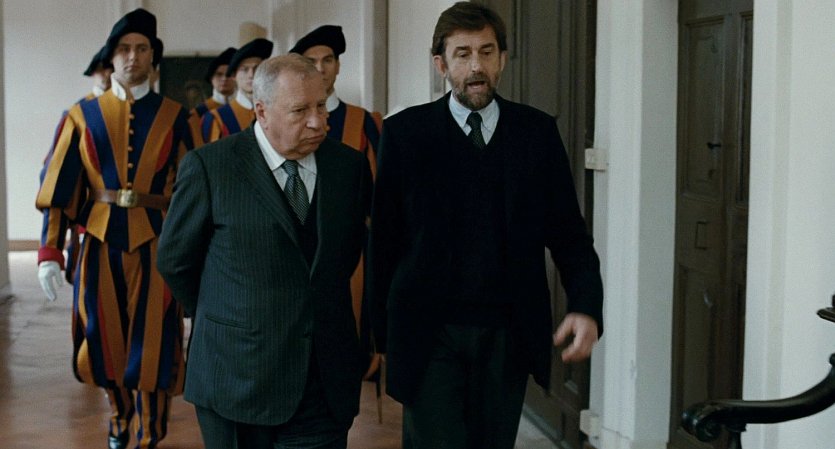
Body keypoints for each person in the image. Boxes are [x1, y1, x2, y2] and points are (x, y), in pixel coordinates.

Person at [367, 3, 604, 449]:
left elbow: (569, 234)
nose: (476, 66)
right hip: (428, 331)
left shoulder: (536, 134)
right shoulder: (406, 134)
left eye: (486, 51)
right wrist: (379, 336)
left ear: (503, 59)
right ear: (441, 64)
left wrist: (586, 305)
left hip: (508, 333)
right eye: (462, 54)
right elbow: (384, 241)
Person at [157, 54, 372, 449]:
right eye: (300, 111)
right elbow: (175, 261)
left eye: (321, 105)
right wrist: (231, 314)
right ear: (261, 111)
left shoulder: (349, 167)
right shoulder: (210, 167)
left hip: (323, 378)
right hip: (236, 377)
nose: (317, 122)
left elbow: (346, 257)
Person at [35, 8, 192, 449]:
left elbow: (194, 189)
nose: (132, 56)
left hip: (158, 241)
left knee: (155, 337)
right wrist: (50, 253)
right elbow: (60, 189)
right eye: (124, 48)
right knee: (103, 336)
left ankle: (150, 432)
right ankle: (120, 416)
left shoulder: (177, 116)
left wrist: (197, 250)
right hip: (98, 242)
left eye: (142, 48)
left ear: (153, 57)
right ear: (111, 57)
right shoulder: (81, 116)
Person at [290, 25, 382, 376]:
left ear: (338, 66)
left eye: (328, 60)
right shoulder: (286, 118)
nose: (321, 68)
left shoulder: (363, 122)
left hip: (350, 246)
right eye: (311, 61)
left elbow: (377, 190)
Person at [200, 38, 273, 144]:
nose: (251, 75)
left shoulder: (273, 113)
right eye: (244, 69)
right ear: (234, 76)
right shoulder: (217, 118)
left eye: (257, 68)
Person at [188, 46, 237, 148]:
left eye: (229, 74)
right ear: (211, 78)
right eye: (219, 74)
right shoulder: (198, 113)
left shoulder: (244, 110)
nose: (224, 78)